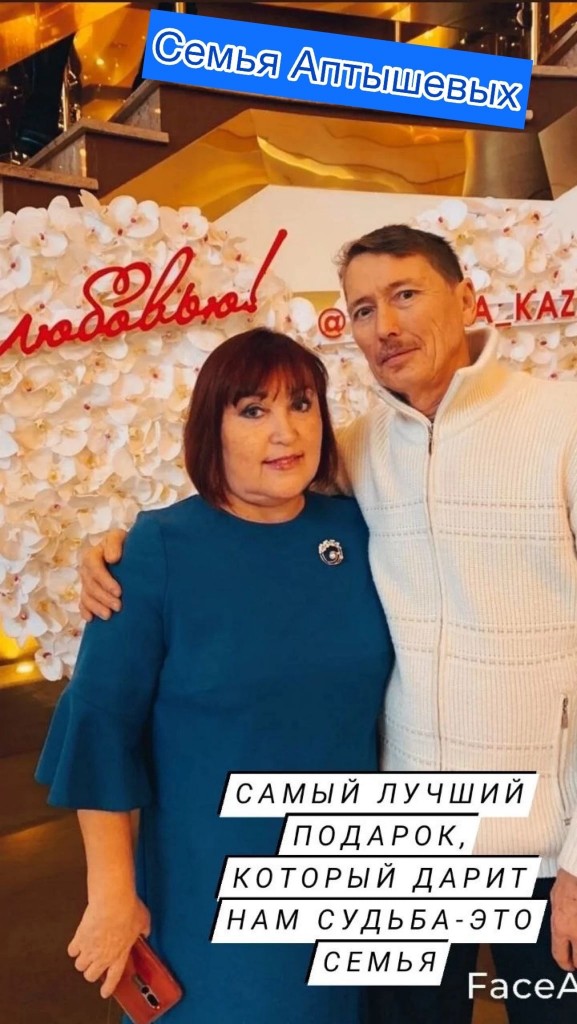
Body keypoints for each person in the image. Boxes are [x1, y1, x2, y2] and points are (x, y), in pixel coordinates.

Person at [82, 225, 577, 1024]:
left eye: (406, 294)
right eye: (363, 308)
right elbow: (241, 505)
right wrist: (116, 550)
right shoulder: (357, 450)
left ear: (465, 298)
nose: (386, 325)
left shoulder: (559, 423)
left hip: (548, 845)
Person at [36, 328, 393, 1024]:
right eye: (253, 410)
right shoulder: (156, 551)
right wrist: (111, 892)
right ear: (211, 429)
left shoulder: (357, 531)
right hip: (210, 881)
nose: (285, 431)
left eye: (301, 404)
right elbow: (101, 725)